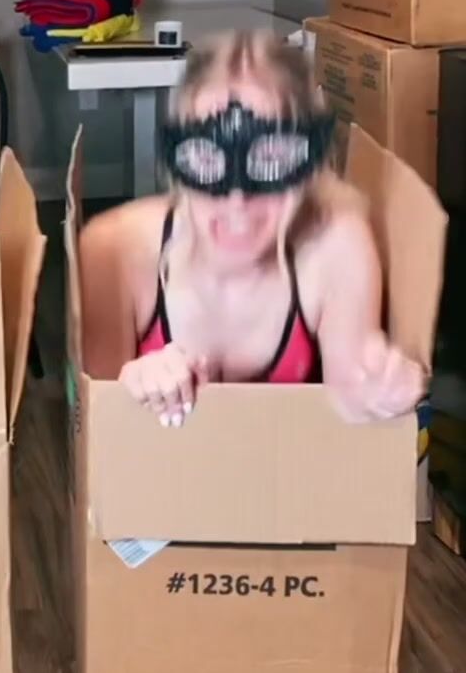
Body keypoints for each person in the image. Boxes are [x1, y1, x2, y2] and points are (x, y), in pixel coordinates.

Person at [78, 30, 425, 426]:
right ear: (177, 162)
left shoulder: (335, 241)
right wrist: (135, 382)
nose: (237, 200)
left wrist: (383, 386)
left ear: (307, 166)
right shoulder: (115, 249)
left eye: (272, 158)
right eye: (206, 157)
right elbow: (100, 426)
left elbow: (354, 393)